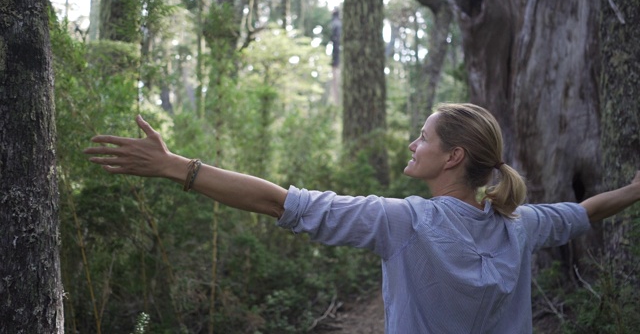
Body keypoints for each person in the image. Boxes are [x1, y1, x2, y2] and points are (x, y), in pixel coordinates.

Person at [84, 103, 640, 333]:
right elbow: (586, 212)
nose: (412, 141)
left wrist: (174, 166)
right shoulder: (522, 224)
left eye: (422, 136)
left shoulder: (403, 222)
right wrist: (636, 189)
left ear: (452, 158)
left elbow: (281, 202)